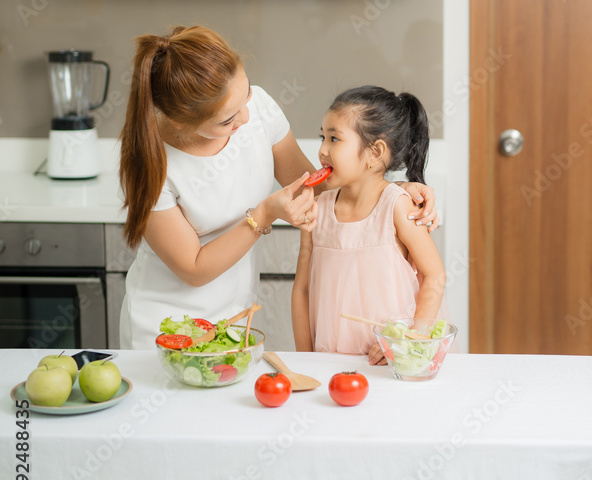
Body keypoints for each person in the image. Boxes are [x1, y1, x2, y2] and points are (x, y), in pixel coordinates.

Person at [118, 26, 439, 349]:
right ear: (181, 123)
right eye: (228, 120)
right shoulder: (148, 162)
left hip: (234, 317)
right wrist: (264, 214)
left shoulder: (258, 110)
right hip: (167, 326)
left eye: (246, 96)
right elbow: (194, 269)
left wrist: (396, 188)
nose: (245, 117)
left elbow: (316, 184)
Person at [291, 86, 449, 365]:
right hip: (329, 360)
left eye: (334, 139)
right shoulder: (318, 209)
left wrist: (411, 340)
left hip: (390, 361)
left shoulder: (398, 205)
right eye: (322, 137)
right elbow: (302, 290)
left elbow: (434, 275)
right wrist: (305, 359)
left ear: (375, 152)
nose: (322, 150)